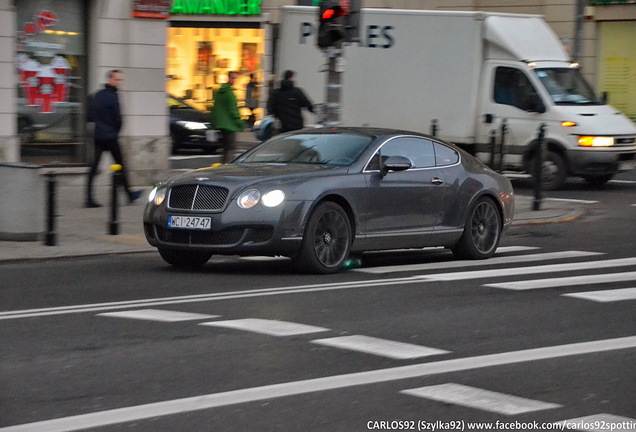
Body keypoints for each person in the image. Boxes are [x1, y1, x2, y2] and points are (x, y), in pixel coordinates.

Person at [86, 69, 142, 208]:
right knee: (120, 165)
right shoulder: (113, 96)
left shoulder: (97, 96)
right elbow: (118, 119)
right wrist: (116, 132)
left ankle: (88, 197)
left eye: (120, 80)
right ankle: (129, 194)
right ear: (109, 80)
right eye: (117, 80)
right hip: (110, 137)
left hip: (98, 135)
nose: (119, 82)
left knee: (94, 167)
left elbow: (89, 116)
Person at [210, 71, 244, 163]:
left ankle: (223, 165)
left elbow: (215, 108)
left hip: (221, 124)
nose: (234, 80)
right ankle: (227, 167)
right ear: (228, 78)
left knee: (225, 149)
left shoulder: (219, 92)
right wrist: (240, 123)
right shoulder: (229, 93)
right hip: (230, 125)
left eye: (235, 78)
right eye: (233, 78)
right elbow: (233, 110)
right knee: (231, 149)